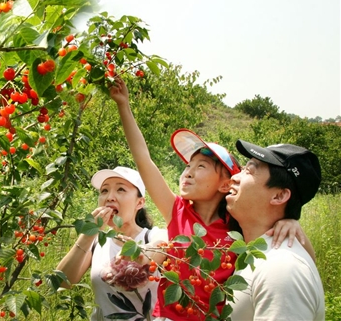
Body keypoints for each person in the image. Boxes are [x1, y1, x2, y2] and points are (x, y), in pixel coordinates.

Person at [109, 77, 314, 320]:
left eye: (202, 166)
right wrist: (124, 105)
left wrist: (291, 221)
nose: (188, 172)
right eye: (188, 165)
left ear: (226, 184)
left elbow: (303, 260)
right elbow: (143, 159)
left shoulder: (238, 227)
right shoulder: (178, 211)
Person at [226, 140, 325, 320]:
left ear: (279, 195)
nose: (235, 177)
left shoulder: (282, 269)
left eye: (249, 171)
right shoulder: (259, 254)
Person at [56, 166, 168, 320]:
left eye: (121, 189)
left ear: (140, 203)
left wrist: (138, 254)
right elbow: (62, 282)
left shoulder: (153, 235)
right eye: (104, 191)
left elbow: (161, 245)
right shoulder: (96, 242)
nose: (109, 197)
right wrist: (88, 234)